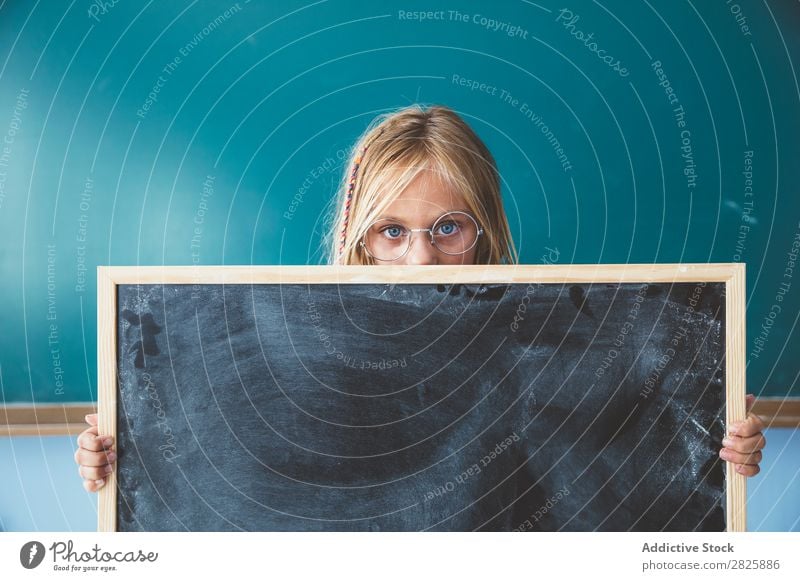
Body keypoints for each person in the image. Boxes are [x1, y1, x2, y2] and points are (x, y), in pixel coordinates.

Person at [74, 104, 766, 493]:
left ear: (485, 229)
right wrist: (126, 463)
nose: (419, 257)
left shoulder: (555, 348)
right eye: (391, 231)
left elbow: (619, 472)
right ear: (357, 236)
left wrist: (716, 450)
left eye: (447, 228)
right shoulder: (281, 362)